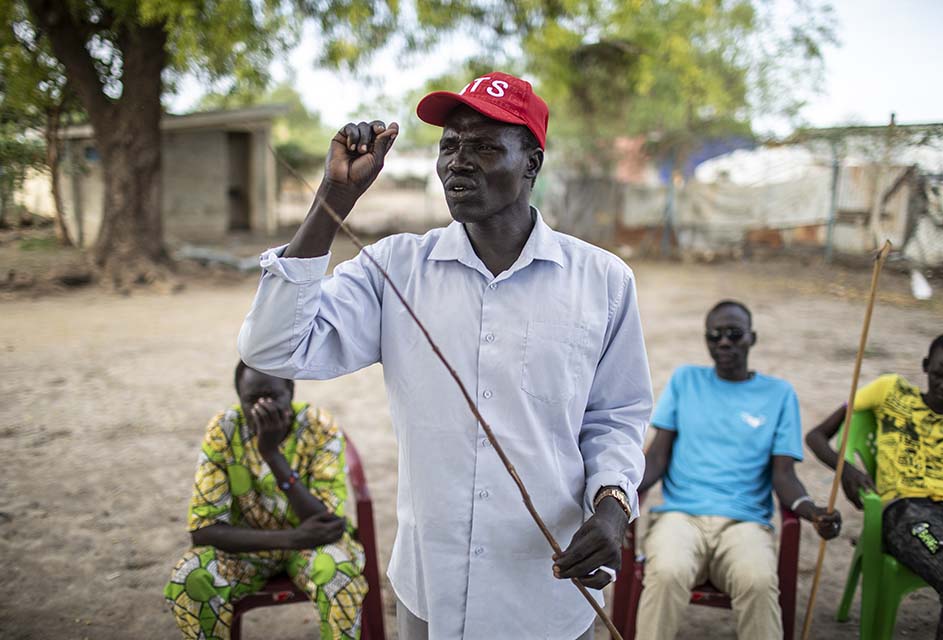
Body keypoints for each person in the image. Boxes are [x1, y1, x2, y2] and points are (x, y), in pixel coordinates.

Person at [237, 71, 653, 639]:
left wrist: (611, 507)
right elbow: (276, 346)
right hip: (434, 585)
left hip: (548, 588)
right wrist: (334, 200)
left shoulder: (602, 280)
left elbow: (615, 417)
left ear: (531, 162)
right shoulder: (395, 269)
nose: (459, 161)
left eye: (484, 145)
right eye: (450, 145)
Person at [635, 300, 841, 640]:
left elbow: (784, 475)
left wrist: (812, 511)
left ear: (752, 338)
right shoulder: (685, 381)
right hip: (681, 517)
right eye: (715, 336)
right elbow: (656, 458)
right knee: (667, 572)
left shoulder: (779, 395)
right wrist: (616, 492)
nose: (724, 343)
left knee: (759, 582)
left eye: (734, 334)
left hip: (744, 523)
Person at [164, 361, 367, 639]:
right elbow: (203, 531)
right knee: (191, 577)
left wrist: (272, 455)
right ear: (239, 398)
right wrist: (292, 538)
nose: (263, 409)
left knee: (337, 571)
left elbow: (326, 523)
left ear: (291, 391)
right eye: (252, 400)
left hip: (312, 550)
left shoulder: (318, 426)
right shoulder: (224, 431)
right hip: (246, 551)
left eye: (273, 397)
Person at [807, 333, 943, 639]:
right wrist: (848, 471)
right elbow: (816, 436)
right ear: (926, 365)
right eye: (940, 374)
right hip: (909, 511)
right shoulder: (891, 391)